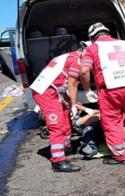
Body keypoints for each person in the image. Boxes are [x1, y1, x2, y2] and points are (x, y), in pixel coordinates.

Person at [80, 22, 125, 165]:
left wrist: (87, 89)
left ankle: (120, 156)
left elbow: (84, 71)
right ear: (107, 32)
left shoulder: (91, 48)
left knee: (112, 122)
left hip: (110, 90)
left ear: (92, 37)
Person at [30, 44, 86, 172]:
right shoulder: (75, 60)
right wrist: (74, 105)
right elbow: (72, 85)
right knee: (57, 125)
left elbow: (61, 81)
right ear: (84, 53)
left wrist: (68, 103)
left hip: (53, 90)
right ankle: (58, 161)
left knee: (65, 118)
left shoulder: (65, 57)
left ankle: (65, 147)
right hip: (46, 92)